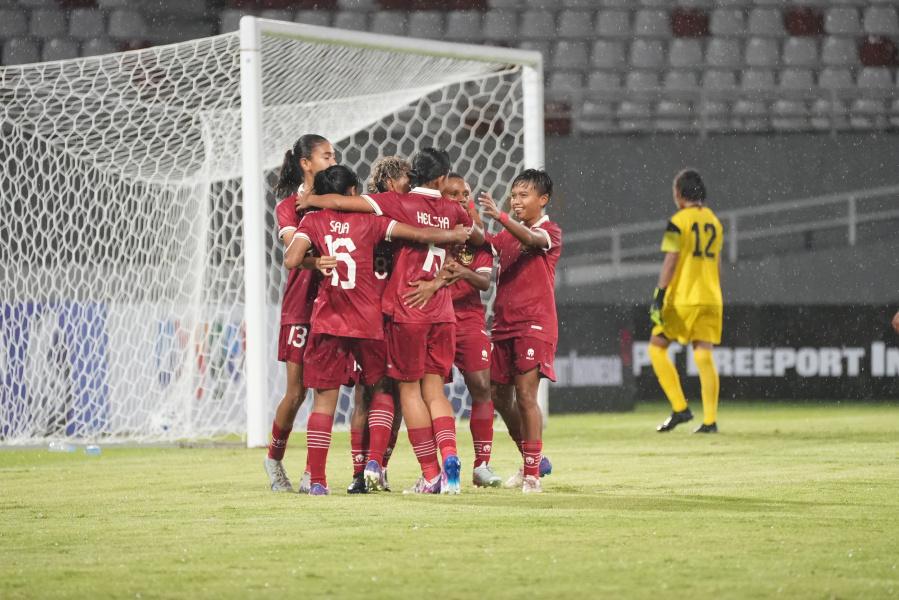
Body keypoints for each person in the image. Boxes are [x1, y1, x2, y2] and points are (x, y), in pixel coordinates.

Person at [298, 148, 484, 494]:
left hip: (400, 308)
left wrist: (312, 198)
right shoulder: (454, 209)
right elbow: (476, 239)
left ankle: (427, 473)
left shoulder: (395, 204)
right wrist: (439, 279)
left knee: (402, 392)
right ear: (443, 178)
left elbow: (337, 209)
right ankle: (449, 457)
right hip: (441, 311)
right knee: (433, 392)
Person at [479, 169, 561, 494]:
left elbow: (532, 240)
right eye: (514, 195)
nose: (516, 201)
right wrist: (465, 217)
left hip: (534, 325)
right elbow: (485, 242)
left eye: (524, 195)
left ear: (543, 200)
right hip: (503, 326)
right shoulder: (508, 235)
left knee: (526, 395)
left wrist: (497, 216)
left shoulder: (549, 231)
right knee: (499, 395)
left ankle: (532, 475)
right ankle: (533, 457)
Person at [263, 134, 336, 493]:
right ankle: (274, 460)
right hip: (300, 306)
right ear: (306, 163)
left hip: (336, 308)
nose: (332, 161)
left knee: (326, 390)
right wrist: (316, 260)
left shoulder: (339, 201)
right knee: (297, 393)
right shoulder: (288, 207)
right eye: (326, 155)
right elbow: (293, 251)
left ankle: (313, 473)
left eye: (333, 155)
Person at [346, 156, 411, 494]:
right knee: (391, 394)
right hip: (391, 314)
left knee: (364, 395)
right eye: (404, 178)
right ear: (388, 182)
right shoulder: (401, 215)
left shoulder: (355, 215)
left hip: (362, 314)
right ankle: (377, 466)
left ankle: (362, 472)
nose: (409, 184)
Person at [648, 168, 723, 434]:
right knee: (703, 353)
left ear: (679, 194)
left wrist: (659, 293)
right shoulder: (715, 221)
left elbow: (672, 259)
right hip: (711, 297)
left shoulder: (678, 221)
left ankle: (680, 408)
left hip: (684, 299)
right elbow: (717, 262)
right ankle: (710, 421)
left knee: (657, 348)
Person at [439, 173, 503, 487]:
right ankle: (435, 465)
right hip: (432, 319)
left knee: (482, 385)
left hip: (467, 319)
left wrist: (461, 271)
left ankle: (482, 464)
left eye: (466, 193)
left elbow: (484, 282)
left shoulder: (477, 240)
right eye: (454, 194)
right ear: (440, 196)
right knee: (426, 393)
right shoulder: (427, 232)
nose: (463, 198)